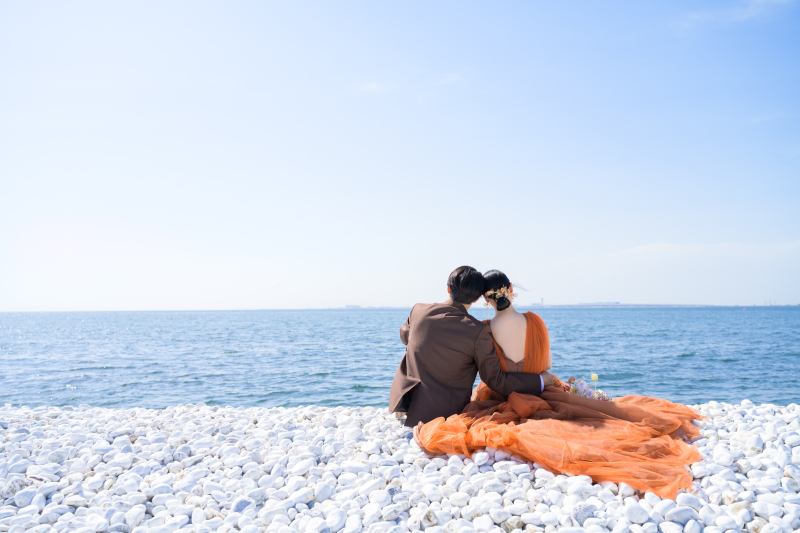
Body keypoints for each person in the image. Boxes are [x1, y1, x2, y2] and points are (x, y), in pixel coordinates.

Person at [415, 269, 702, 499]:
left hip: (500, 393)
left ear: (485, 300)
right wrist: (540, 379)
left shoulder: (485, 329)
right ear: (511, 289)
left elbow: (490, 373)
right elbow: (545, 366)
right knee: (598, 413)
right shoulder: (535, 321)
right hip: (540, 387)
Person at [388, 266, 555, 427]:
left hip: (405, 404)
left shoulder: (418, 310)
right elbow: (496, 380)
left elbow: (405, 336)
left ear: (448, 289)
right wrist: (540, 380)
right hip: (445, 415)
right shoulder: (477, 331)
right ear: (476, 299)